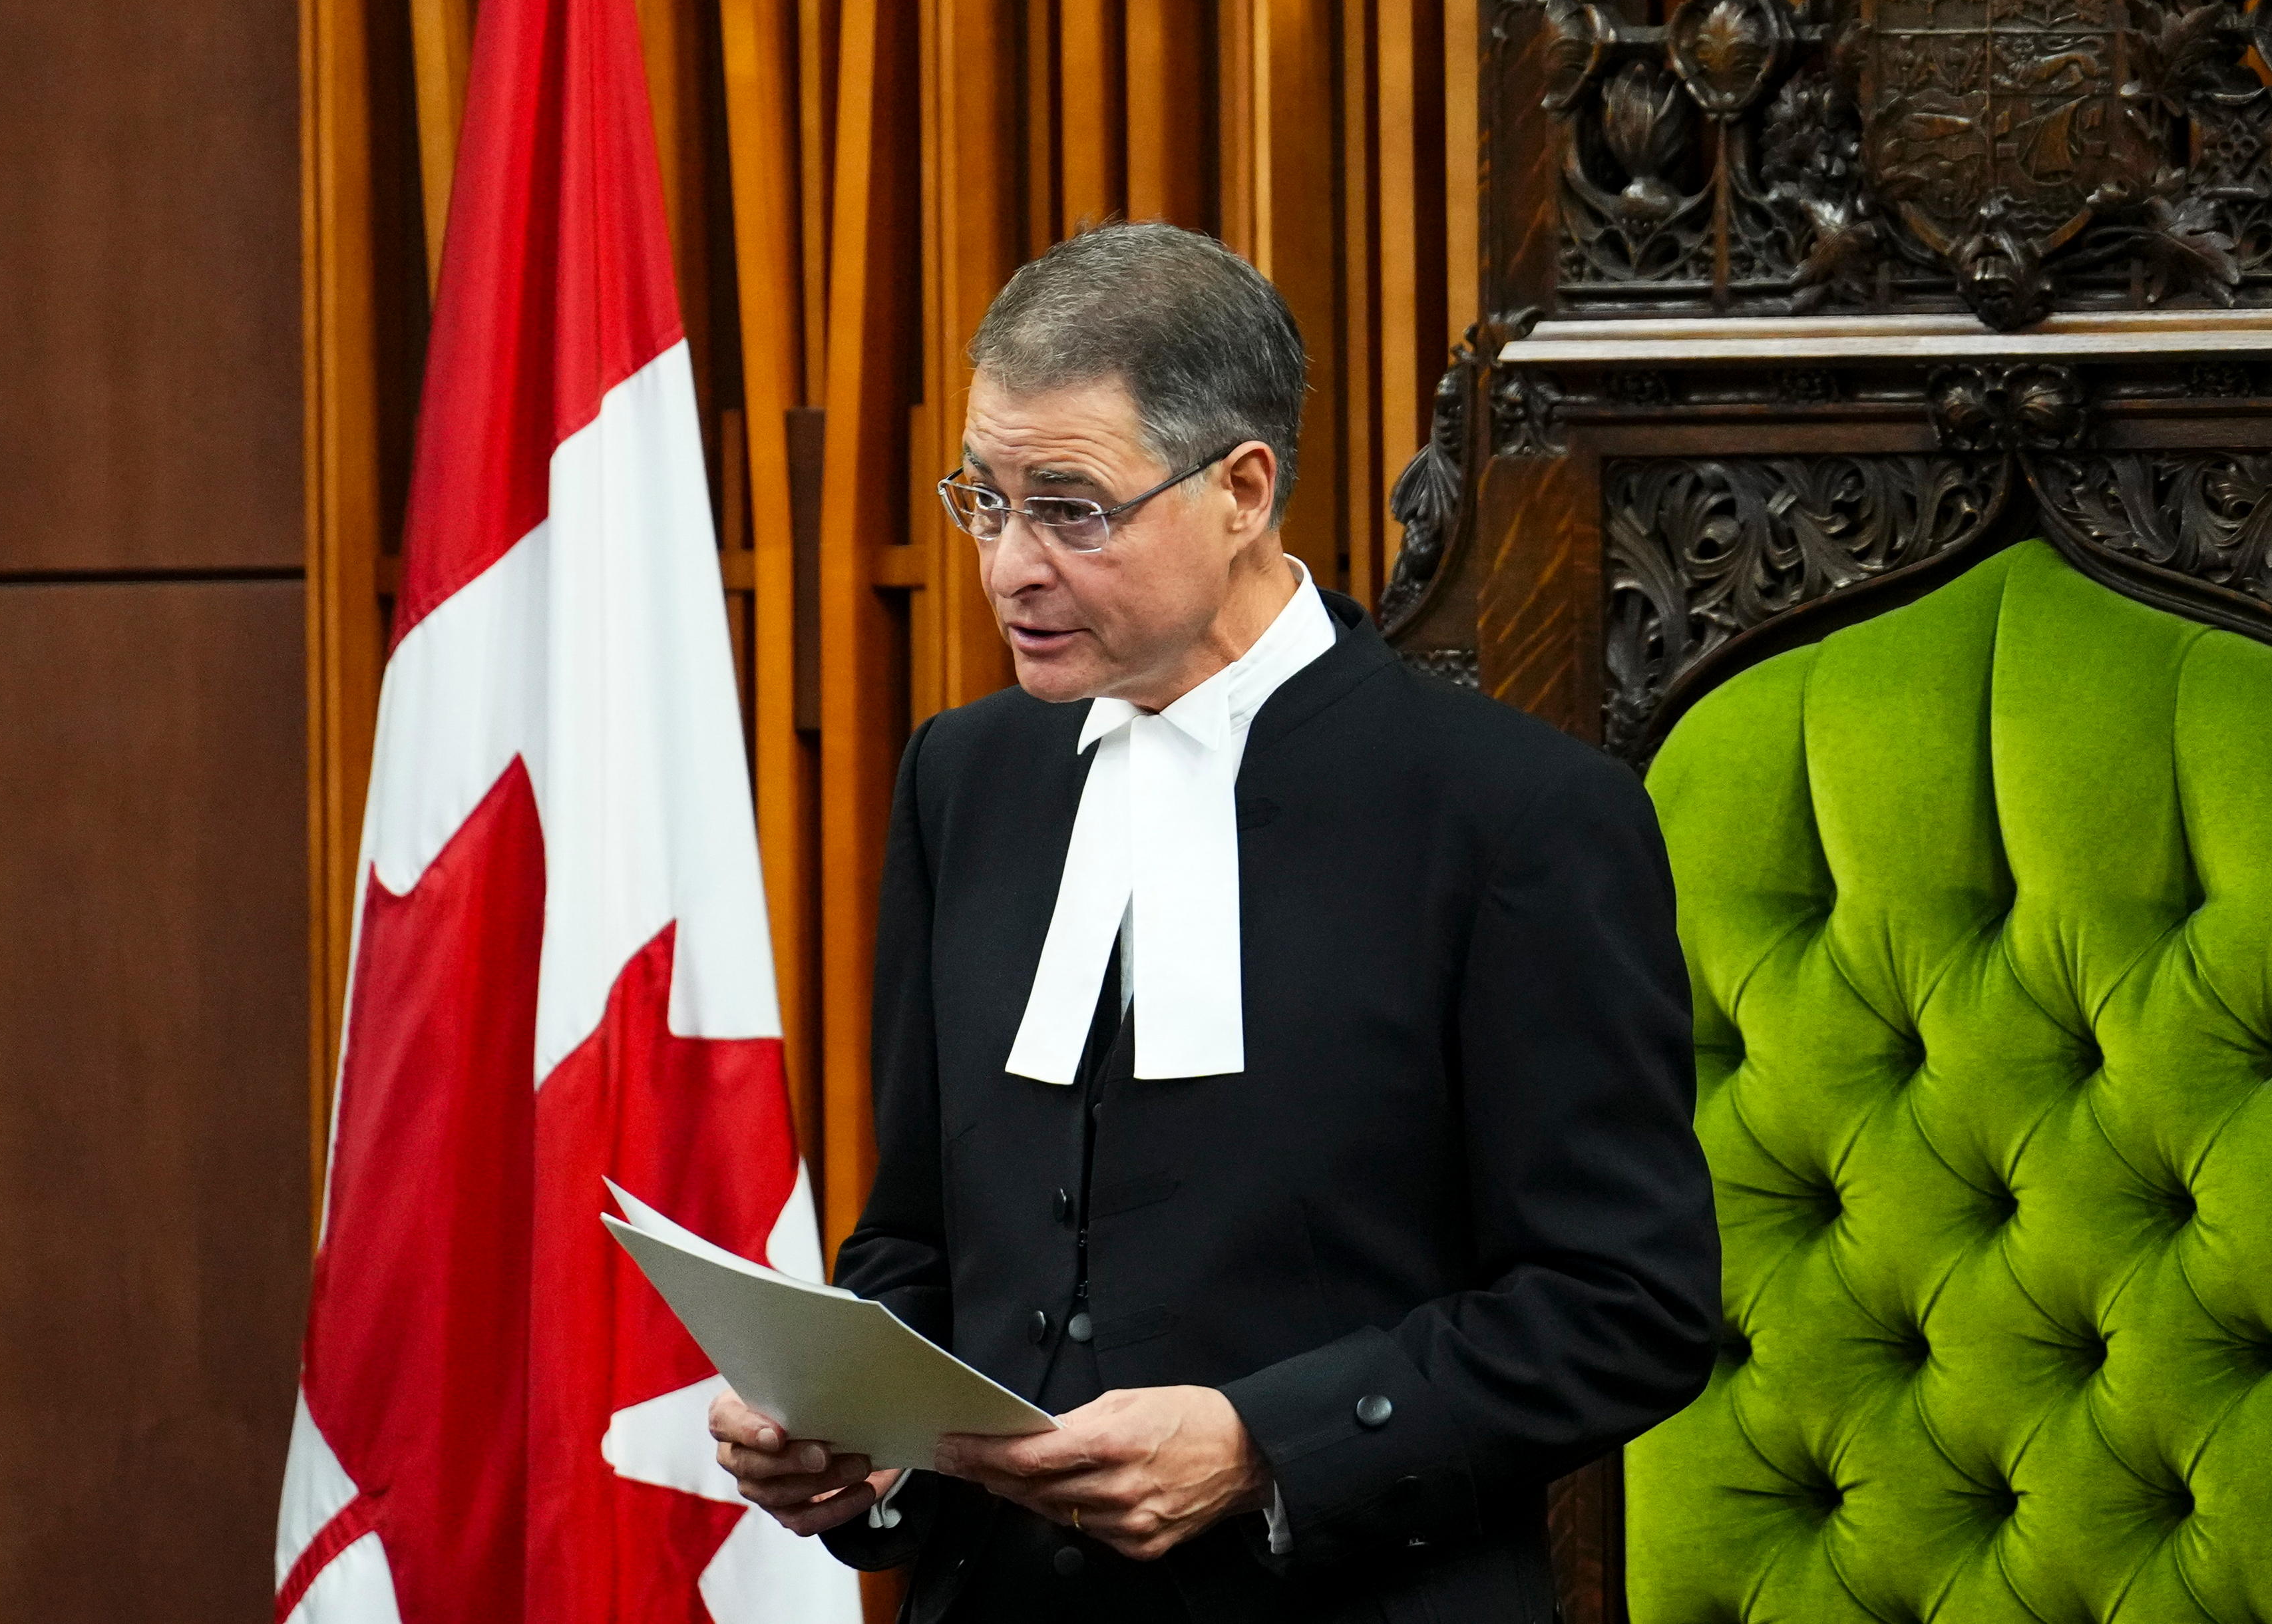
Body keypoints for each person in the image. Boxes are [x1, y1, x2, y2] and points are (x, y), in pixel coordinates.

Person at [707, 222, 1719, 1621]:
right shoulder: (967, 777)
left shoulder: (1517, 814)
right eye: (984, 500)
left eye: (1071, 508)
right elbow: (925, 1241)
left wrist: (1262, 1446)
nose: (1007, 568)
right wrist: (847, 1434)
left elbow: (1628, 1309)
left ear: (1243, 487)